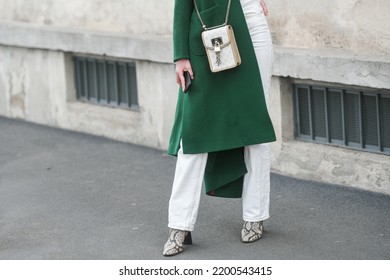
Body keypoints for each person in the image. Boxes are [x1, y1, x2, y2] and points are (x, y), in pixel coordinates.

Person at [163, 0, 276, 256]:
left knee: (255, 127)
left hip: (252, 23)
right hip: (207, 28)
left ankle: (255, 215)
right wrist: (180, 54)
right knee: (193, 133)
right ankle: (179, 224)